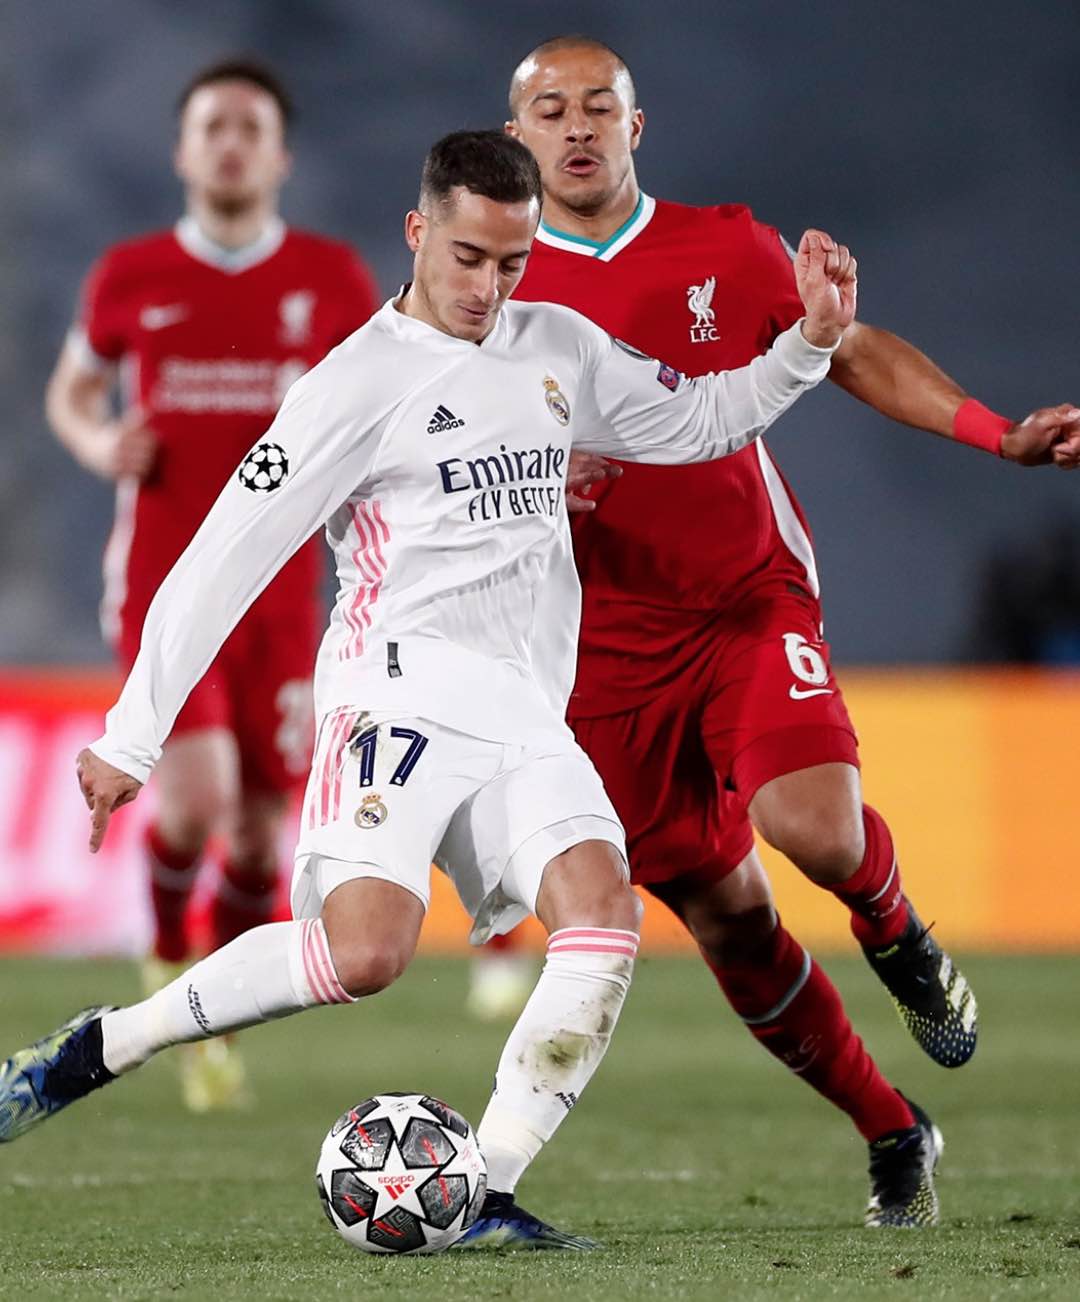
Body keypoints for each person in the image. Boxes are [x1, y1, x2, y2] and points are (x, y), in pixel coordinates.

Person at [0, 130, 853, 1248]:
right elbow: (219, 558)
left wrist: (806, 347)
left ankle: (481, 1192)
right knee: (366, 957)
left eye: (512, 262)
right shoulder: (351, 386)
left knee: (601, 921)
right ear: (417, 232)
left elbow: (696, 423)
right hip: (394, 697)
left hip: (522, 712)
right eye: (467, 258)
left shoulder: (558, 347)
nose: (490, 289)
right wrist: (133, 734)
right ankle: (103, 1047)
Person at [505, 35, 1080, 1228]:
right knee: (730, 923)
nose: (575, 127)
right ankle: (895, 1132)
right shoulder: (494, 289)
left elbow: (850, 350)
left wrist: (995, 433)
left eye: (596, 106)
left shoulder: (724, 243)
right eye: (549, 110)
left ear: (635, 125)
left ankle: (897, 931)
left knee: (808, 824)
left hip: (744, 600)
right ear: (518, 138)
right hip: (597, 655)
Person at [44, 58, 379, 1110]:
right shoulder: (130, 275)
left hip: (284, 595)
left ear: (279, 154)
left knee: (262, 832)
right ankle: (160, 969)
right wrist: (100, 443)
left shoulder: (331, 281)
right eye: (211, 127)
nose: (229, 143)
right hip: (164, 580)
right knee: (193, 806)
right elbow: (72, 387)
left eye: (249, 127)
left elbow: (382, 399)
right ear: (184, 150)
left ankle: (210, 1021)